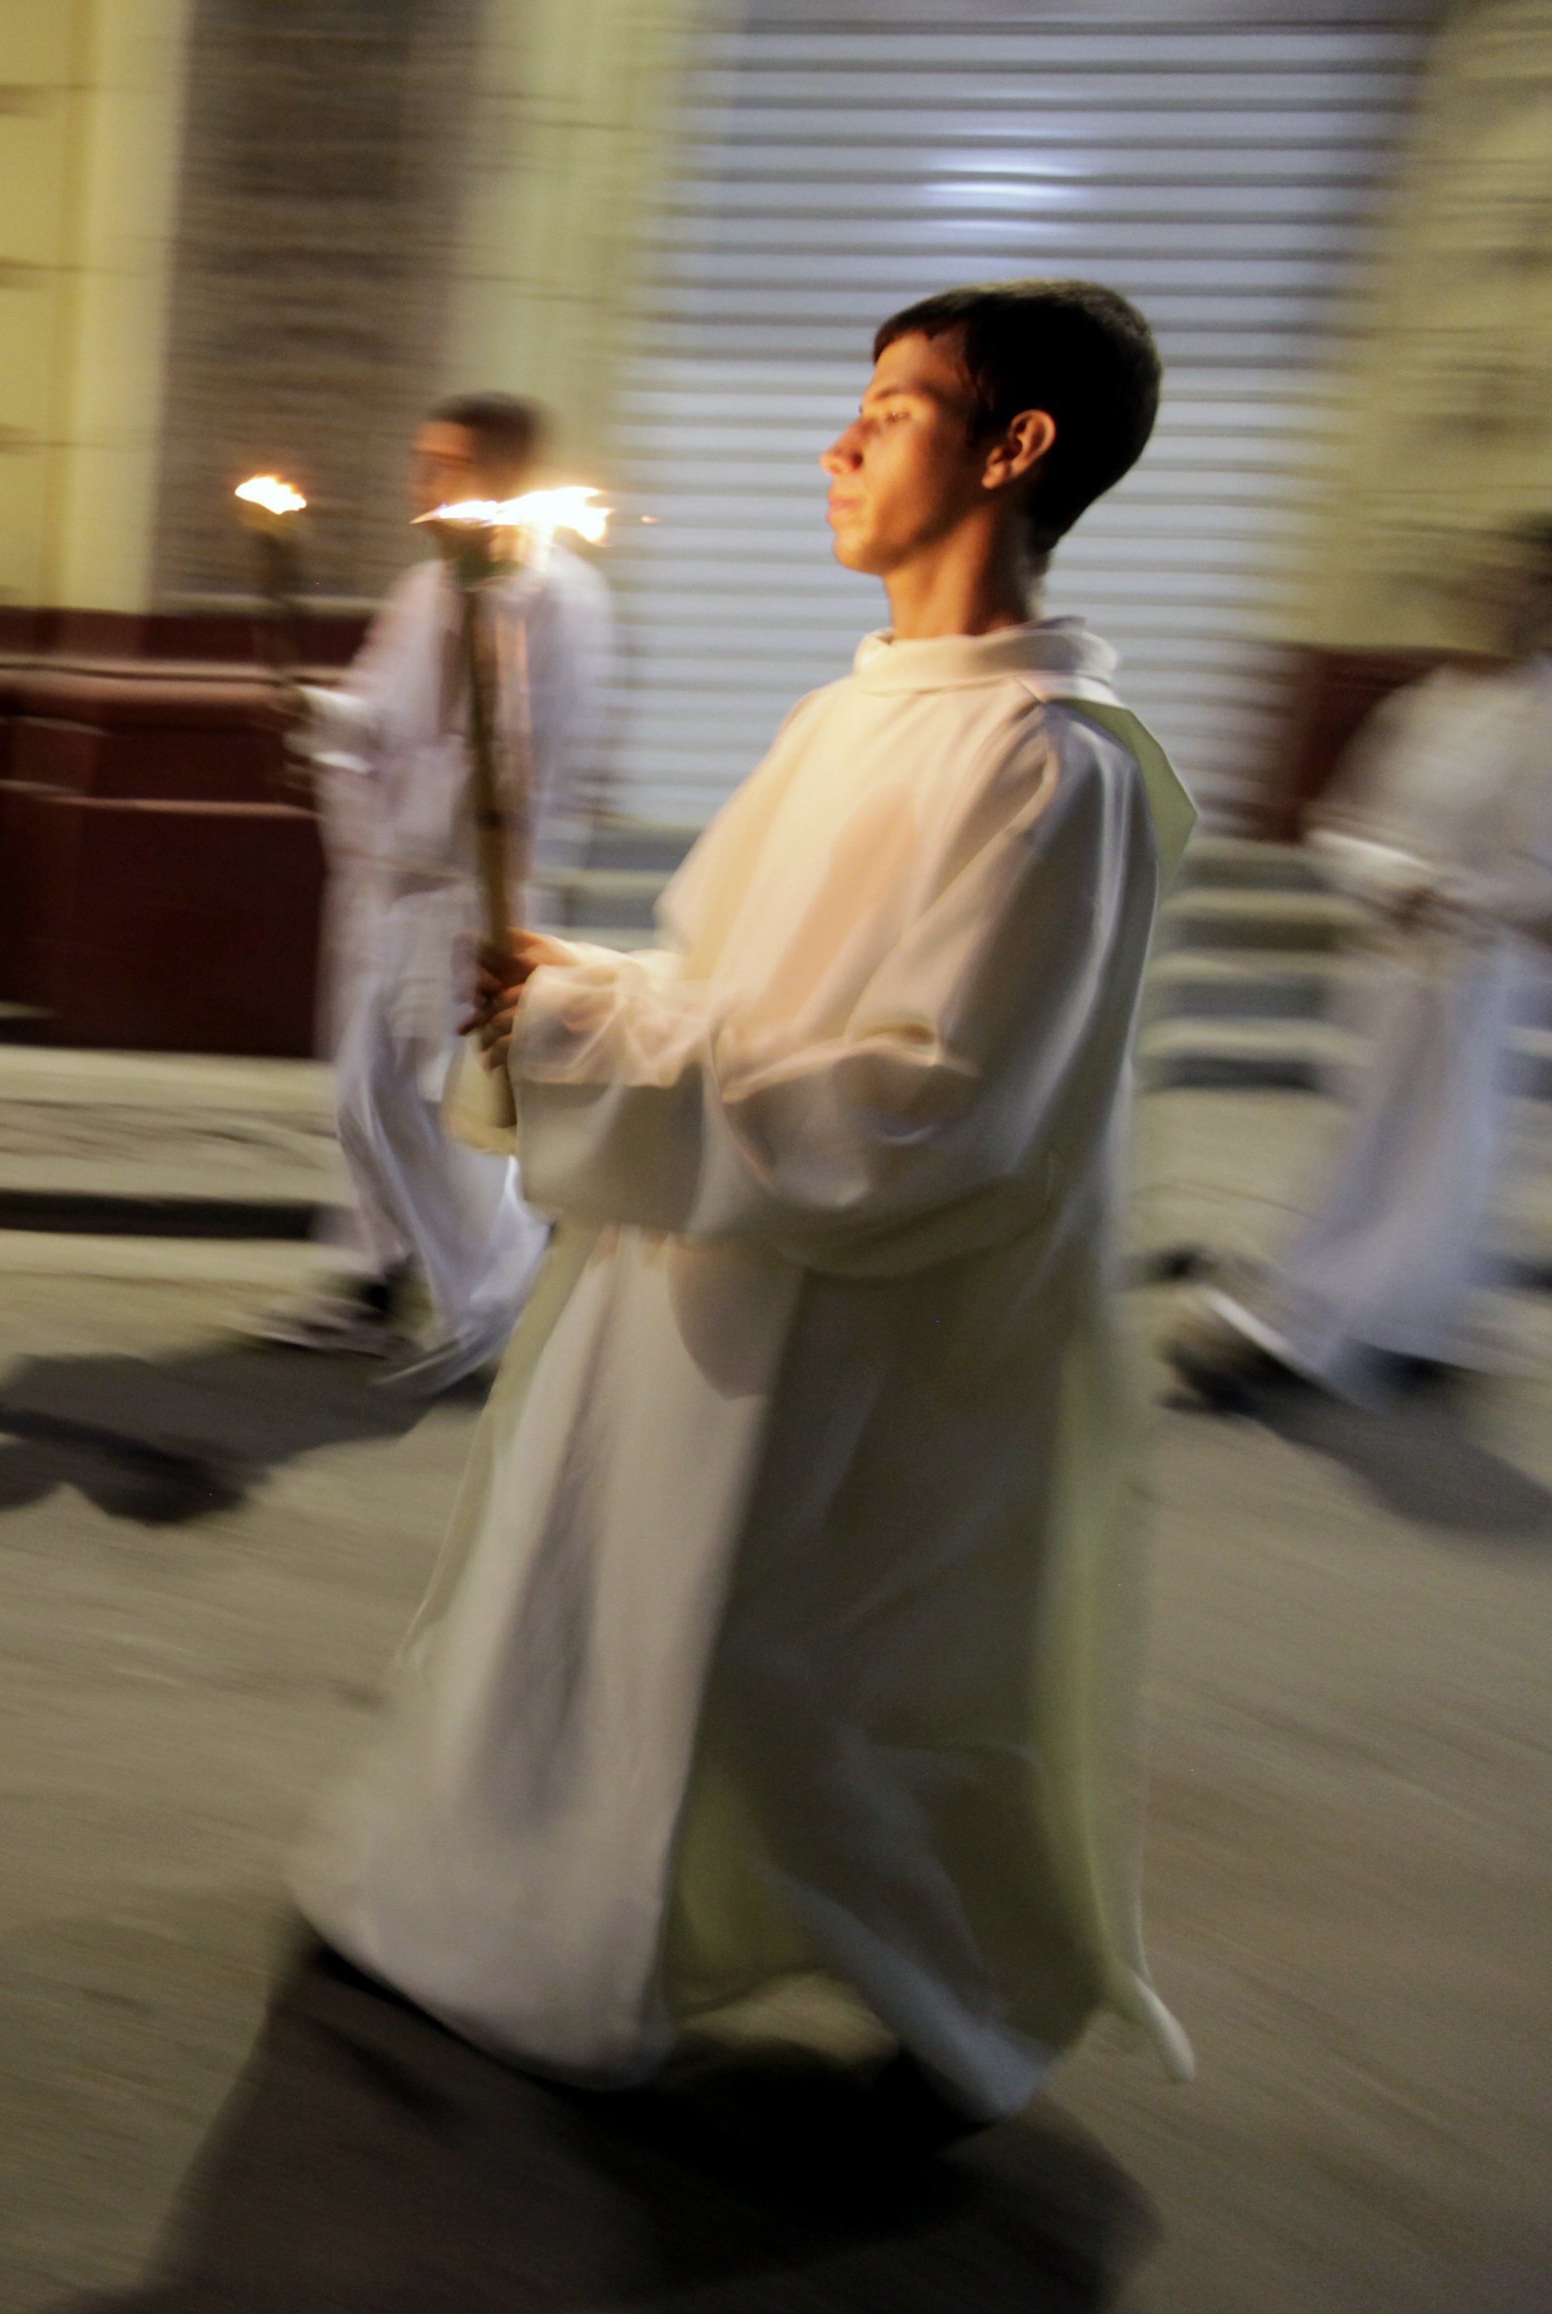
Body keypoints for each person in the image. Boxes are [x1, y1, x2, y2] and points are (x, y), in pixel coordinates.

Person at [297, 280, 1196, 2131]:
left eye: (889, 405)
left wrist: (593, 1032)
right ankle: (506, 1917)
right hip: (698, 1276)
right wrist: (590, 994)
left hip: (855, 1331)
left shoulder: (1055, 764)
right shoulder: (859, 715)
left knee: (805, 1685)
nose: (837, 444)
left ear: (1014, 448)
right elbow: (754, 1000)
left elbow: (938, 1108)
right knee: (626, 1632)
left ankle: (963, 1997)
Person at [248, 394, 616, 1386]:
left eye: (442, 464)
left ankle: (488, 1305)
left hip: (473, 894)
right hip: (395, 887)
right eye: (421, 460)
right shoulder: (424, 588)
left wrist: (465, 861)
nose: (421, 484)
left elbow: (527, 757)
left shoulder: (557, 596)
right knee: (369, 1102)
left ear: (500, 473)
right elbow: (382, 709)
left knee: (454, 1113)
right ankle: (395, 1286)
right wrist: (312, 713)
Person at [1167, 520, 1552, 1408]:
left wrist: (1469, 908)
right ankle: (1391, 1320)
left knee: (1434, 1160)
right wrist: (1394, 881)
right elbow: (1347, 826)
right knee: (1365, 1151)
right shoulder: (1432, 704)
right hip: (1386, 967)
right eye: (1499, 582)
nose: (1505, 602)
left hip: (1479, 980)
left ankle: (1320, 1329)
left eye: (1530, 587)